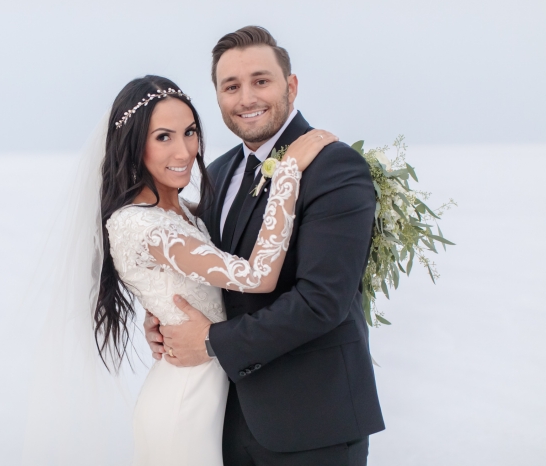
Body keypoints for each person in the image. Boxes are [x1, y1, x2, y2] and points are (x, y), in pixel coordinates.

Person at [143, 26, 385, 465]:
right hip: (227, 419)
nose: (246, 98)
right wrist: (166, 316)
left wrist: (212, 341)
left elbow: (321, 301)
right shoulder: (218, 171)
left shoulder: (335, 168)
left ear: (290, 86)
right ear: (217, 98)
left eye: (261, 80)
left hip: (314, 422)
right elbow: (209, 270)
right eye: (231, 86)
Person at [96, 74, 336, 466]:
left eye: (189, 132)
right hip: (184, 399)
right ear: (133, 145)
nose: (185, 150)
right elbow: (259, 276)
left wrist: (158, 313)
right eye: (163, 137)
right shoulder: (142, 224)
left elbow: (174, 281)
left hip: (216, 397)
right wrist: (288, 173)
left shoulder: (179, 212)